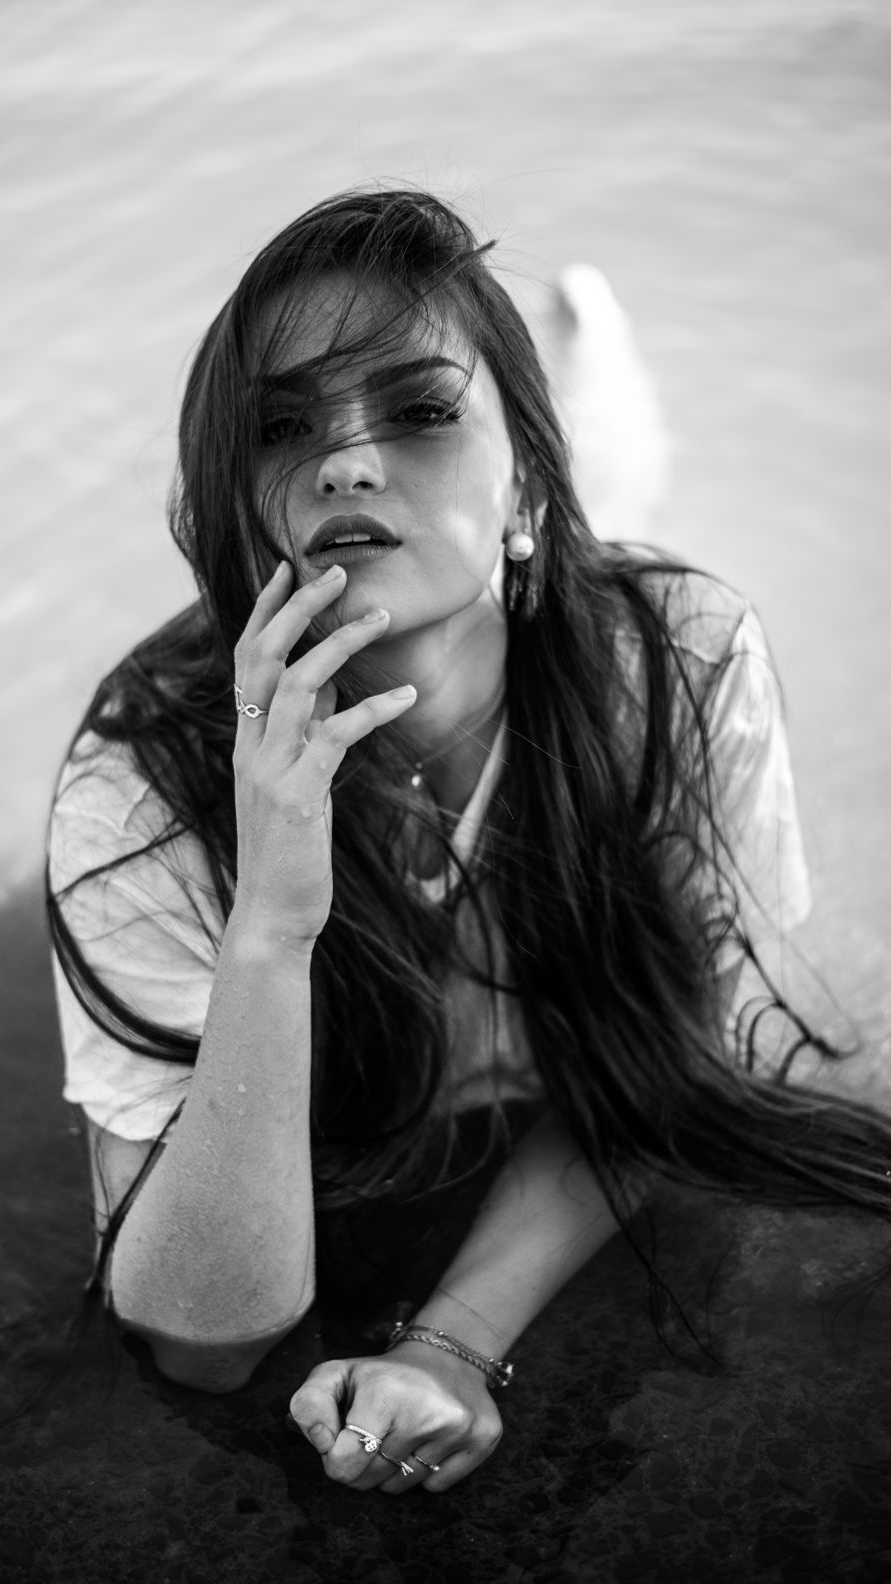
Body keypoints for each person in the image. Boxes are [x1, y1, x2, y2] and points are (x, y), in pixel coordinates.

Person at [46, 187, 891, 1497]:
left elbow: (669, 1054)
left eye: (420, 409)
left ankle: (581, 373)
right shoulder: (142, 784)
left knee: (608, 531)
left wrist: (451, 1342)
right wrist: (270, 928)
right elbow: (205, 1345)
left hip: (558, 600)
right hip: (476, 598)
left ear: (520, 481)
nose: (345, 462)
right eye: (282, 427)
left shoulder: (686, 661)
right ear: (247, 516)